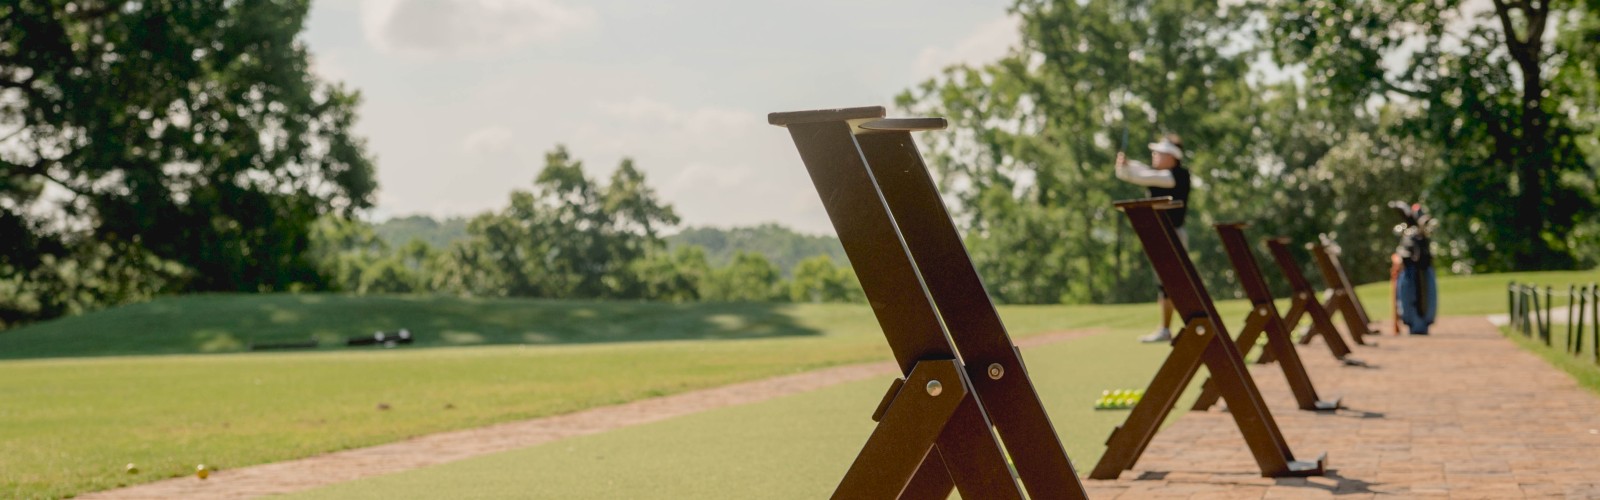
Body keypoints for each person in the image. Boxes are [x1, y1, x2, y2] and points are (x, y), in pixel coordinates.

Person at [1115, 134, 1191, 343]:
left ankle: (1184, 325)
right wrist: (1127, 166)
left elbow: (1143, 176)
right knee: (1164, 283)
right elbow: (1140, 172)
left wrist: (1127, 168)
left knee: (1174, 281)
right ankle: (1166, 329)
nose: (1154, 155)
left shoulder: (1176, 176)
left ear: (1172, 157)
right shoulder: (1163, 174)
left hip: (1173, 234)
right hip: (1161, 235)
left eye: (1159, 152)